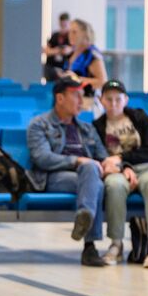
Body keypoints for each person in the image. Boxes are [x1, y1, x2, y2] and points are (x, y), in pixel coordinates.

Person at [27, 77, 112, 267]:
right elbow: (42, 158)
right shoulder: (39, 125)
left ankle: (85, 215)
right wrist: (77, 161)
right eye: (76, 96)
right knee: (92, 177)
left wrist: (110, 164)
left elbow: (102, 155)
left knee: (93, 178)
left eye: (82, 96)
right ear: (60, 98)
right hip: (53, 177)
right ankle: (89, 246)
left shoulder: (87, 128)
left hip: (87, 178)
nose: (81, 102)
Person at [94, 80, 148, 268]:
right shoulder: (97, 126)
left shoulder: (140, 118)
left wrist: (121, 158)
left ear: (126, 100)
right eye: (109, 99)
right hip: (119, 172)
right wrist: (123, 167)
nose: (113, 104)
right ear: (101, 101)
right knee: (114, 185)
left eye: (118, 99)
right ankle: (116, 244)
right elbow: (99, 155)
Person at [62, 18, 108, 96]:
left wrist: (77, 79)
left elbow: (102, 82)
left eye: (74, 32)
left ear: (84, 34)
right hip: (72, 101)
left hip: (88, 101)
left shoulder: (92, 54)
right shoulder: (71, 53)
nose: (70, 35)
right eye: (70, 31)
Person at [43, 12, 72, 82]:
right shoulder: (54, 36)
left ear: (69, 23)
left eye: (65, 25)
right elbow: (46, 51)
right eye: (62, 25)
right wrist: (59, 50)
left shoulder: (71, 37)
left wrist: (54, 50)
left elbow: (70, 50)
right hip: (51, 67)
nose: (63, 27)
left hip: (65, 69)